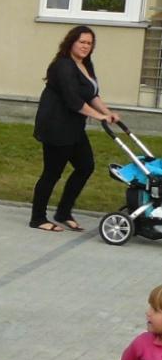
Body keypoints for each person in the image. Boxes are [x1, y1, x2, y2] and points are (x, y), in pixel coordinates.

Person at [29, 25, 119, 232]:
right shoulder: (63, 66)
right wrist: (99, 116)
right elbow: (73, 100)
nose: (86, 46)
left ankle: (63, 212)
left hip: (74, 126)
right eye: (82, 42)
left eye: (89, 43)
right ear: (71, 42)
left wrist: (108, 112)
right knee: (52, 173)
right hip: (56, 125)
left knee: (85, 166)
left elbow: (92, 94)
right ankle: (38, 218)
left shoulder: (85, 64)